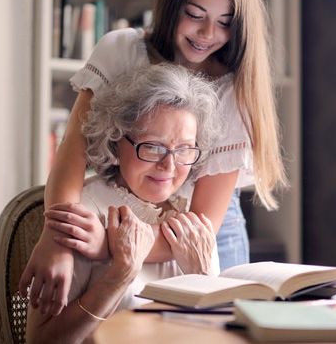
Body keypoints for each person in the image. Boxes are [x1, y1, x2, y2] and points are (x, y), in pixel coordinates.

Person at [19, 0, 288, 316]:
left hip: (204, 230)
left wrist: (106, 245)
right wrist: (57, 239)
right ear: (171, 5)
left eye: (225, 23)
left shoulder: (233, 90)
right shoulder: (121, 51)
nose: (207, 34)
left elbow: (203, 223)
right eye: (195, 14)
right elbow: (71, 158)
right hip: (123, 208)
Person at [26, 64, 220, 343]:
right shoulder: (84, 213)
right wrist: (118, 277)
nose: (169, 165)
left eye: (184, 149)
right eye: (153, 146)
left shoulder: (192, 223)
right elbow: (40, 340)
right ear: (116, 140)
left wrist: (202, 277)